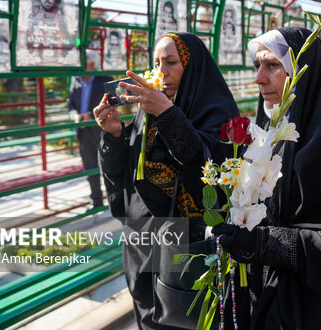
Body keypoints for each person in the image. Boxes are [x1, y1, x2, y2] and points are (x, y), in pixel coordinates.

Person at [213, 26, 321, 329]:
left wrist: (265, 244)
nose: (259, 78)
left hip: (307, 304)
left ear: (302, 72)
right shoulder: (272, 131)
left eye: (272, 65)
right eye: (257, 66)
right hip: (267, 293)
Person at [94, 32, 239, 330]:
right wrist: (114, 134)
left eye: (172, 62)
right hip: (143, 248)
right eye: (157, 62)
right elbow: (124, 179)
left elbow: (208, 167)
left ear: (193, 66)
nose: (161, 72)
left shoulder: (213, 111)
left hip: (187, 251)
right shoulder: (147, 112)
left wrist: (167, 112)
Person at [68, 51, 112, 209]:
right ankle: (97, 201)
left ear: (92, 63)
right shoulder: (75, 80)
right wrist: (74, 116)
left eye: (82, 61)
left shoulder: (105, 79)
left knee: (108, 166)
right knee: (89, 167)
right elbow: (70, 103)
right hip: (83, 131)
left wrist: (92, 117)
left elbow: (111, 105)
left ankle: (114, 200)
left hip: (101, 129)